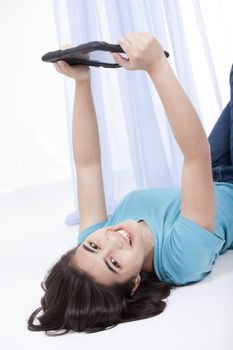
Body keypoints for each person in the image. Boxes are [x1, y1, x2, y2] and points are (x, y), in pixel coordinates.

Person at [28, 32, 233, 335]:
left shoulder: (98, 237)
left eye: (93, 245)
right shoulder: (181, 261)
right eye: (114, 263)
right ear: (135, 283)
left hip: (217, 171)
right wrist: (157, 68)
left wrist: (81, 82)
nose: (112, 240)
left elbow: (87, 165)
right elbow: (194, 156)